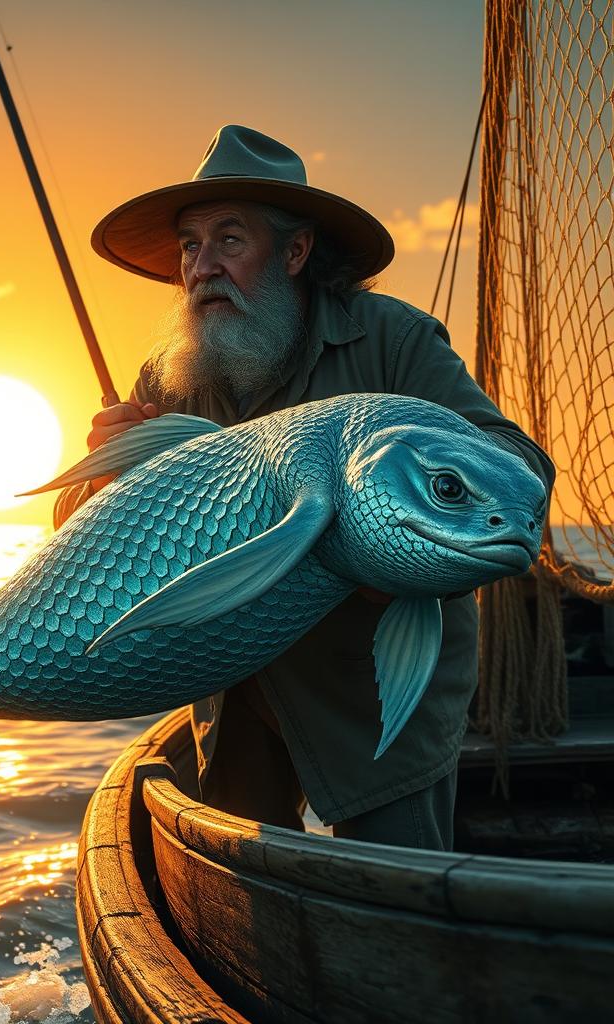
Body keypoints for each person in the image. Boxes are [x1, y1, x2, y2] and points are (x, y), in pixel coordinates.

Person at [53, 125, 555, 851]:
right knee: (242, 918)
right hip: (232, 699)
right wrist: (102, 474)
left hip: (376, 697)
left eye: (230, 239)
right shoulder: (170, 377)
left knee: (396, 912)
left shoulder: (392, 340)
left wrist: (389, 554)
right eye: (190, 245)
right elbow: (74, 541)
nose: (202, 266)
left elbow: (517, 463)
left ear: (295, 252)